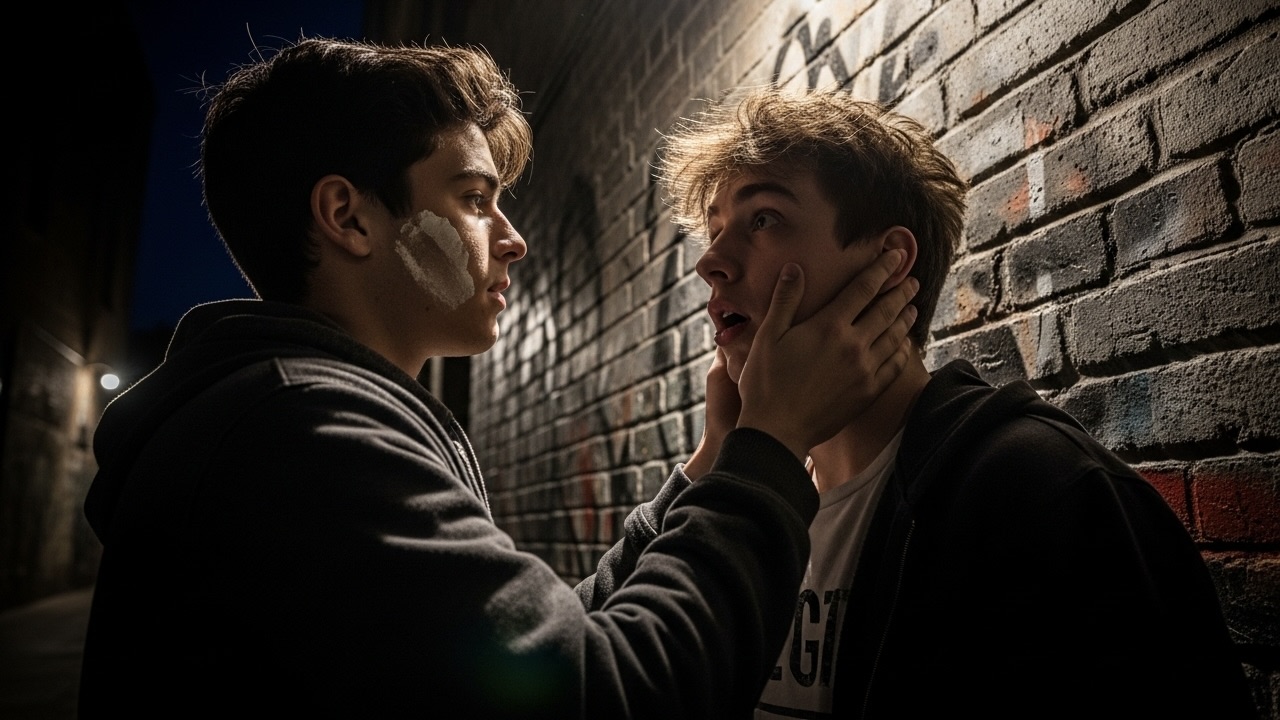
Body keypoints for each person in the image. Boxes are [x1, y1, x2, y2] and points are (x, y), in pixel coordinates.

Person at [77, 39, 922, 719]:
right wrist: (770, 451)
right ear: (349, 217)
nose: (511, 238)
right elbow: (611, 697)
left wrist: (709, 469)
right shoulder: (303, 437)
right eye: (475, 198)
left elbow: (540, 655)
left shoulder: (302, 417)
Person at [647, 87, 1258, 718]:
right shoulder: (746, 504)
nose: (711, 262)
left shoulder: (1043, 489)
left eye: (763, 218)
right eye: (716, 229)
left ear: (889, 263)